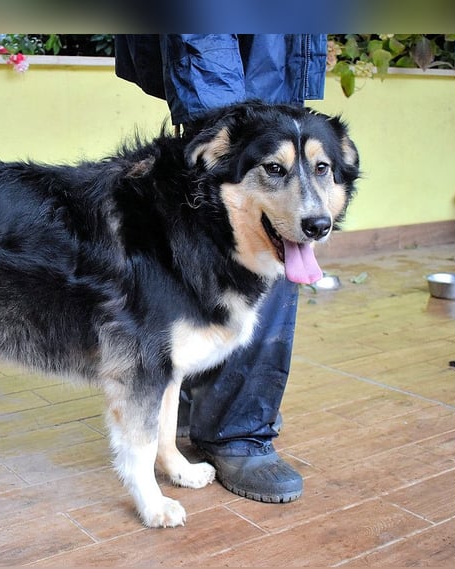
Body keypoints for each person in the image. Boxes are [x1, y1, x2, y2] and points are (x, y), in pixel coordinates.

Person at [114, 34, 328, 504]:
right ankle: (236, 429)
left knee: (248, 231)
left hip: (266, 59)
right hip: (224, 66)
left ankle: (188, 404)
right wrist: (223, 119)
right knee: (228, 227)